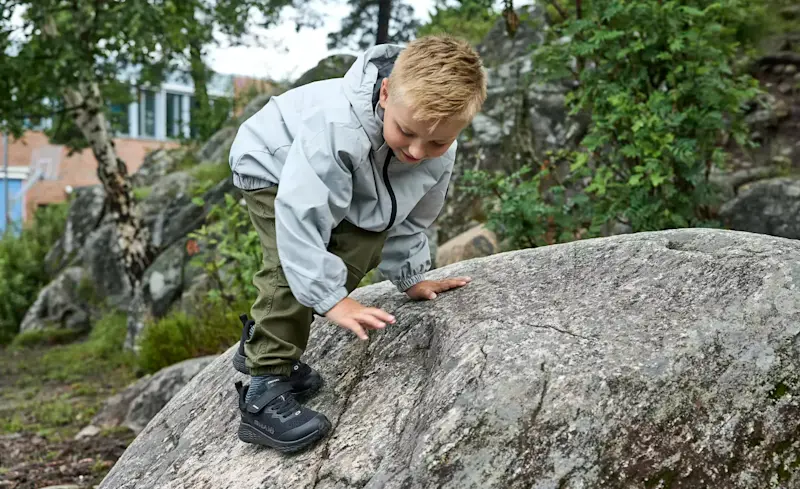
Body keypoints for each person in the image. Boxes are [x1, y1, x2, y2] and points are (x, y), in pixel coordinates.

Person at [228, 34, 487, 453]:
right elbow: (301, 219)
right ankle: (264, 389)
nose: (418, 152)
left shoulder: (434, 146)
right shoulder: (338, 127)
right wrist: (331, 300)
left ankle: (265, 334)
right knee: (289, 268)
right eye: (407, 132)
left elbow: (403, 214)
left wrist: (410, 277)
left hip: (326, 175)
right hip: (273, 165)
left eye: (437, 142)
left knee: (363, 242)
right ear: (386, 94)